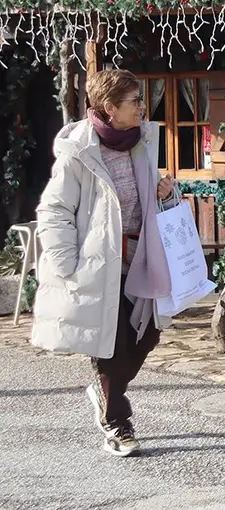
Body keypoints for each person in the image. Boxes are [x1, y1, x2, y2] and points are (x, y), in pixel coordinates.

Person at [32, 70, 180, 457]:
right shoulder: (78, 154)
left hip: (142, 258)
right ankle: (117, 422)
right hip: (99, 264)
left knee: (147, 335)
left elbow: (149, 202)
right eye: (134, 101)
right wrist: (67, 264)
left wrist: (166, 194)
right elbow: (54, 210)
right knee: (112, 344)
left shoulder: (141, 143)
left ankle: (103, 394)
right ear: (110, 108)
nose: (142, 106)